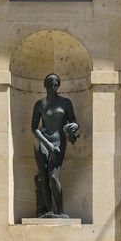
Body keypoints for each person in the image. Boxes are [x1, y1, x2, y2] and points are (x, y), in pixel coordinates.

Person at [31, 72, 81, 218]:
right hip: (42, 141)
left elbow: (74, 121)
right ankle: (49, 211)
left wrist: (74, 126)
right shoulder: (40, 104)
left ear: (58, 86)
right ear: (44, 85)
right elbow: (34, 128)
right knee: (43, 176)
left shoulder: (65, 102)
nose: (53, 87)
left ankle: (61, 211)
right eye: (50, 84)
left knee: (53, 176)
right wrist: (46, 144)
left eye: (55, 84)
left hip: (58, 141)